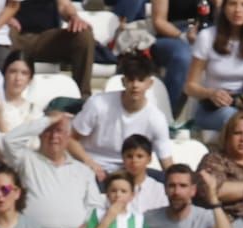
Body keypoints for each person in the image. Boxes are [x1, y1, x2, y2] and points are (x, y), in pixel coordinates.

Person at [0, 111, 102, 228]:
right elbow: (9, 140)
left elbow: (95, 206)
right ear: (40, 134)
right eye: (48, 131)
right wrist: (48, 120)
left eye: (59, 131)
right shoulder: (26, 160)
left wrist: (88, 225)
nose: (54, 137)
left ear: (68, 137)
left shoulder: (83, 171)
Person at [69, 54, 176, 182]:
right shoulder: (98, 104)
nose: (135, 85)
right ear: (123, 82)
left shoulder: (156, 118)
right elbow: (70, 139)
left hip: (132, 172)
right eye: (131, 79)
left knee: (170, 180)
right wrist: (89, 163)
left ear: (149, 83)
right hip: (93, 170)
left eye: (141, 80)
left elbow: (166, 160)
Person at [184, 0, 243, 139]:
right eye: (232, 4)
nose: (238, 10)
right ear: (224, 8)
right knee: (235, 120)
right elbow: (190, 86)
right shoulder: (206, 36)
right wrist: (211, 93)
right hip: (214, 108)